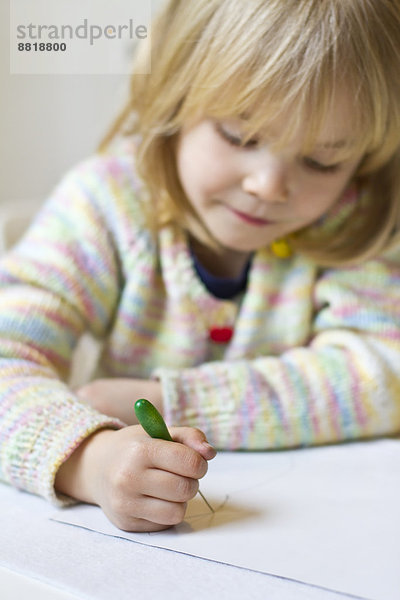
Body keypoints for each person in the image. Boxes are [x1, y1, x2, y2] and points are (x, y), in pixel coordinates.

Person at [1, 0, 400, 533]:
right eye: (241, 136)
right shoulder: (107, 204)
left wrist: (176, 402)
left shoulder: (351, 221)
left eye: (322, 161)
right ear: (176, 96)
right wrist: (91, 460)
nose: (269, 186)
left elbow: (383, 376)